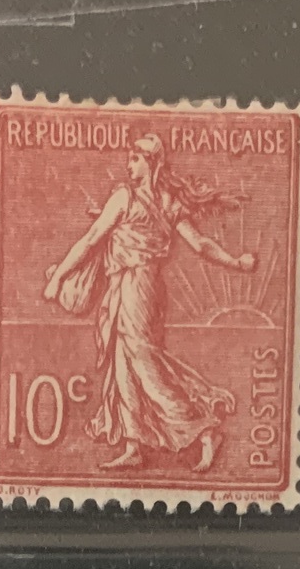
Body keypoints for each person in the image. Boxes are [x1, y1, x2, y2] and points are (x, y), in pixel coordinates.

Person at [42, 132, 256, 474]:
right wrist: (237, 263)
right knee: (124, 363)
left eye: (135, 159)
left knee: (144, 363)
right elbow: (198, 243)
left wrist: (58, 278)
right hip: (138, 288)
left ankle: (204, 429)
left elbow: (93, 239)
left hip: (138, 288)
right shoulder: (159, 201)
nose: (129, 165)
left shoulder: (129, 198)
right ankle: (134, 446)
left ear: (152, 162)